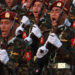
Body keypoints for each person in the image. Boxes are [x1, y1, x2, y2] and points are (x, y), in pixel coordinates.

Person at [34, 0, 74, 75]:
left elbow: (73, 59)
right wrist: (39, 56)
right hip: (46, 72)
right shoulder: (46, 34)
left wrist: (60, 46)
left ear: (65, 15)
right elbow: (38, 64)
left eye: (57, 11)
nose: (54, 14)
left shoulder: (71, 33)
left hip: (63, 72)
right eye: (52, 11)